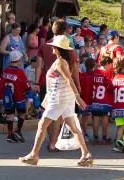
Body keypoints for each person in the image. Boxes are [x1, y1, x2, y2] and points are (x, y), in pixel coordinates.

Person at [19, 33, 94, 168]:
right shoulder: (64, 62)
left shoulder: (60, 62)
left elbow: (68, 79)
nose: (52, 49)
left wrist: (78, 97)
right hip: (64, 98)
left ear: (58, 49)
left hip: (59, 99)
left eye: (54, 47)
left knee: (42, 124)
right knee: (73, 127)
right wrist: (76, 96)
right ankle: (86, 154)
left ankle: (34, 155)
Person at [0, 50, 31, 142]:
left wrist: (1, 97)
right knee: (22, 113)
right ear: (18, 61)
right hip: (19, 97)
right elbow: (25, 84)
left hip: (7, 97)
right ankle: (18, 130)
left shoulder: (5, 70)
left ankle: (9, 135)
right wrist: (30, 90)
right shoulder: (20, 72)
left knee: (10, 115)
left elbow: (1, 84)